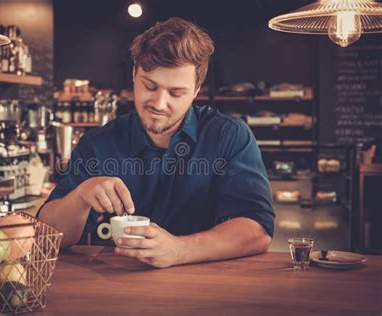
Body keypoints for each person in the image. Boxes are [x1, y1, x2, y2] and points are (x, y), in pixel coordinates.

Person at [39, 17, 274, 268]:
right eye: (150, 86)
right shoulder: (97, 144)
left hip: (206, 287)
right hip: (113, 286)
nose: (159, 104)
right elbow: (48, 234)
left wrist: (179, 250)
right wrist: (81, 195)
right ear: (134, 75)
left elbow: (256, 230)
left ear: (196, 90)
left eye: (176, 93)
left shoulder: (229, 136)